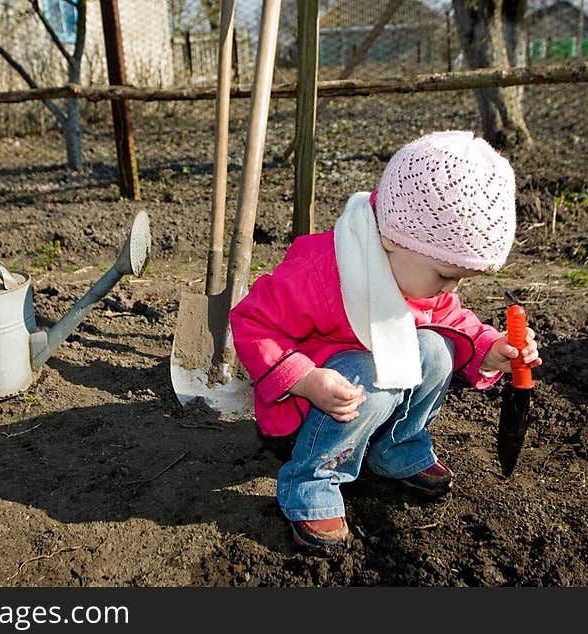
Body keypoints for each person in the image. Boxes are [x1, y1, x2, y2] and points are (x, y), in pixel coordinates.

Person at [229, 130, 542, 551]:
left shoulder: (412, 266)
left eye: (459, 278)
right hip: (310, 414)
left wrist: (490, 346)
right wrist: (304, 380)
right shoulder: (321, 272)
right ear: (393, 239)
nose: (448, 289)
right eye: (445, 276)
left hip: (371, 408)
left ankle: (394, 445)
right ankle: (311, 481)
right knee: (370, 372)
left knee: (435, 347)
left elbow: (449, 317)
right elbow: (253, 321)